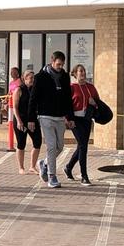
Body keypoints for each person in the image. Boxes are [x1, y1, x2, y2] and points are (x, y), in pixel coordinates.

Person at [28, 51, 74, 189]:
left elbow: (68, 98)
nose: (60, 67)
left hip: (60, 117)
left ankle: (44, 163)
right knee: (52, 146)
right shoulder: (40, 77)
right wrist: (30, 119)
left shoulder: (65, 77)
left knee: (60, 146)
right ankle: (52, 176)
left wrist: (70, 117)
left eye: (62, 64)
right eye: (58, 64)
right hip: (45, 116)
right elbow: (33, 99)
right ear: (52, 62)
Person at [64, 64, 99, 186]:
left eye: (84, 71)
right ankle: (84, 176)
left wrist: (94, 103)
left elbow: (98, 103)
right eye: (80, 71)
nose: (83, 73)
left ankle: (68, 167)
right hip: (75, 120)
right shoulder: (72, 87)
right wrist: (68, 119)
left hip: (87, 119)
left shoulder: (90, 87)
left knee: (81, 146)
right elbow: (67, 105)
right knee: (83, 146)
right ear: (75, 74)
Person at [12, 70, 42, 175]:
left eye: (34, 78)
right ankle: (21, 167)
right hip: (21, 119)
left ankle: (32, 166)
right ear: (24, 79)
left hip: (32, 120)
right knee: (21, 143)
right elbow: (15, 107)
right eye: (30, 78)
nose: (32, 80)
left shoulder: (35, 90)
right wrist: (19, 121)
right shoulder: (19, 90)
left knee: (37, 141)